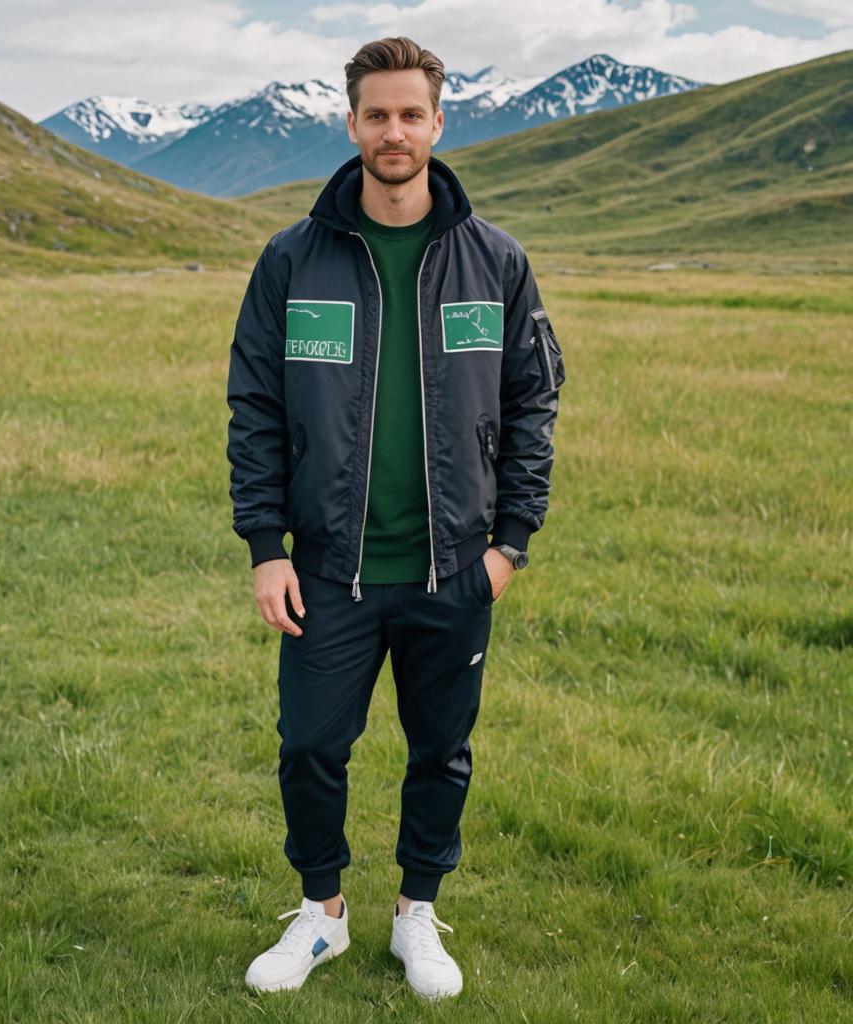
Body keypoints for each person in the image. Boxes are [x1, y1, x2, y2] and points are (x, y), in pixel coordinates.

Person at [225, 34, 565, 1001]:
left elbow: (533, 403)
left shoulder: (494, 260)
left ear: (438, 123)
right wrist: (265, 548)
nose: (394, 131)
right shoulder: (293, 259)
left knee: (440, 751)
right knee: (310, 747)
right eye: (376, 114)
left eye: (411, 113)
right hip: (327, 568)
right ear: (351, 124)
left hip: (454, 568)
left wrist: (508, 547)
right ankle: (322, 916)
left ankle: (417, 913)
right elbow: (254, 406)